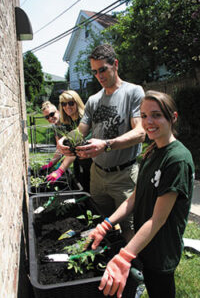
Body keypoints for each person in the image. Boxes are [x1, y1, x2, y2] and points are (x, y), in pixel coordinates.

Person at [86, 90, 195, 298]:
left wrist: (123, 257)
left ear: (173, 117)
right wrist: (106, 224)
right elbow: (135, 197)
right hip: (145, 243)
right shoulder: (152, 150)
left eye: (156, 115)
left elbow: (158, 219)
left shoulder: (177, 160)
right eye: (143, 116)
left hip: (161, 249)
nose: (148, 122)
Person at [57, 44, 145, 241]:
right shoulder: (93, 100)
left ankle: (134, 268)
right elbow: (81, 130)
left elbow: (140, 133)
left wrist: (106, 145)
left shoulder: (133, 92)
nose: (99, 76)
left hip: (124, 175)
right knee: (100, 223)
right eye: (94, 72)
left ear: (115, 64)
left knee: (129, 228)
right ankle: (108, 263)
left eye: (103, 69)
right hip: (97, 175)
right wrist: (65, 141)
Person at [58, 90, 92, 192]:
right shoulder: (68, 122)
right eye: (64, 104)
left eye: (71, 103)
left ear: (77, 102)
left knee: (88, 189)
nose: (67, 106)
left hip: (90, 162)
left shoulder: (84, 120)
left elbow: (77, 138)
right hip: (79, 162)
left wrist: (60, 170)